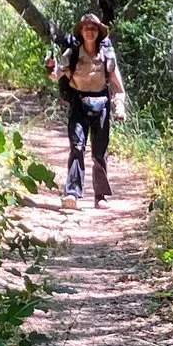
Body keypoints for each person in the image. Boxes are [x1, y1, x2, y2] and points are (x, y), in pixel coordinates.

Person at [51, 12, 125, 208]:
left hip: (101, 103)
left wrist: (119, 107)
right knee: (77, 147)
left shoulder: (107, 55)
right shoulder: (73, 53)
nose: (90, 32)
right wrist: (50, 67)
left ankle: (100, 197)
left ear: (98, 32)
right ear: (81, 32)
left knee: (99, 152)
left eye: (93, 29)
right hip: (78, 102)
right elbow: (56, 74)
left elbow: (117, 85)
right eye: (86, 29)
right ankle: (72, 194)